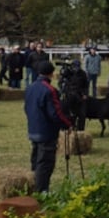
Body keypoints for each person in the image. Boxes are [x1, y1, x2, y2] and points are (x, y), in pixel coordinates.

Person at [24, 60, 73, 192]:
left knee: (36, 161)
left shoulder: (30, 87)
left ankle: (34, 187)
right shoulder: (50, 90)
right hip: (46, 132)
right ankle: (41, 192)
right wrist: (67, 124)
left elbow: (26, 108)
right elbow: (55, 113)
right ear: (51, 74)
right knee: (45, 164)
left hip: (33, 129)